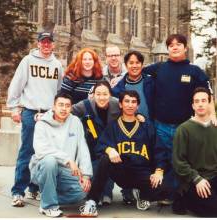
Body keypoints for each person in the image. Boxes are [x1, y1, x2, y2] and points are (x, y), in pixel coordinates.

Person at [142, 34, 216, 208]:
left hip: (185, 128)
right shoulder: (158, 68)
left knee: (182, 161)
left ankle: (181, 194)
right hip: (160, 125)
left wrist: (212, 114)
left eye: (179, 44)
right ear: (167, 49)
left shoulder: (195, 71)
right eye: (171, 45)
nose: (174, 47)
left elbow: (208, 94)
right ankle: (167, 194)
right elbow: (136, 73)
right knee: (164, 159)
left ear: (185, 48)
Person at [79, 90, 170, 217]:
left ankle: (141, 193)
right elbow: (100, 146)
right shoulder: (113, 126)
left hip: (142, 173)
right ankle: (91, 201)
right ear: (120, 104)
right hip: (121, 171)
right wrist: (109, 150)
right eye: (126, 101)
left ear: (137, 106)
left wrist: (159, 171)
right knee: (105, 159)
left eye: (134, 102)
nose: (130, 105)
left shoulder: (147, 126)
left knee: (167, 190)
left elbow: (159, 150)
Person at [7, 31, 63, 207]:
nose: (46, 45)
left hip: (49, 114)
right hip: (31, 112)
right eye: (43, 42)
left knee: (45, 154)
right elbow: (16, 85)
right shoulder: (28, 61)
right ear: (38, 44)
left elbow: (59, 90)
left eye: (49, 42)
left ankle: (35, 187)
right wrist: (14, 108)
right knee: (27, 152)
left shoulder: (57, 65)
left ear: (53, 44)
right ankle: (18, 191)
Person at [29, 92, 93, 217]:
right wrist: (68, 159)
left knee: (82, 192)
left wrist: (86, 174)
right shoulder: (41, 124)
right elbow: (41, 150)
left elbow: (82, 148)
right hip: (42, 168)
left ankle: (48, 196)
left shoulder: (75, 122)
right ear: (53, 106)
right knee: (50, 161)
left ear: (71, 107)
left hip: (65, 171)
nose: (64, 109)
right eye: (60, 105)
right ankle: (48, 206)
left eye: (67, 106)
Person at [72, 81, 135, 205]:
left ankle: (117, 192)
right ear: (93, 95)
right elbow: (66, 110)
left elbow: (130, 110)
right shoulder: (85, 105)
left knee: (121, 161)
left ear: (110, 95)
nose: (102, 97)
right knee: (97, 167)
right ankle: (98, 193)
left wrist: (139, 116)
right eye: (98, 94)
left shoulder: (117, 103)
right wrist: (45, 116)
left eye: (105, 94)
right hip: (93, 144)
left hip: (114, 144)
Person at [173, 87, 217, 217]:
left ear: (210, 104)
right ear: (193, 105)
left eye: (204, 100)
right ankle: (183, 198)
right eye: (196, 101)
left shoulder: (215, 127)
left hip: (214, 177)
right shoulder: (184, 129)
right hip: (193, 180)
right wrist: (197, 179)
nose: (200, 104)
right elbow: (178, 162)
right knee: (212, 211)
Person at [112, 50, 155, 120]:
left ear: (142, 65)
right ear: (126, 65)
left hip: (150, 125)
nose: (134, 66)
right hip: (129, 127)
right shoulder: (119, 89)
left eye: (137, 63)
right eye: (131, 63)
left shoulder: (151, 83)